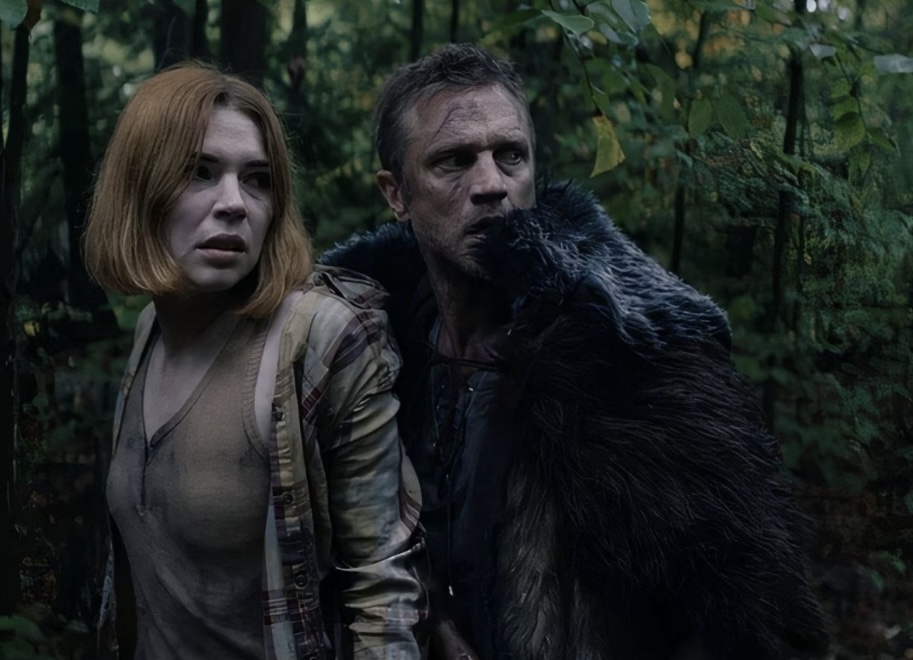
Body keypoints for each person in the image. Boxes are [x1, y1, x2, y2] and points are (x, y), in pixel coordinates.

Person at [322, 44, 828, 659]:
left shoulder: (634, 355)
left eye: (510, 156)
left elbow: (758, 620)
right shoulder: (360, 349)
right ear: (396, 193)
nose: (491, 185)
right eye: (453, 161)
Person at [84, 63, 427, 659]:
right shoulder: (150, 330)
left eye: (258, 180)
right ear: (139, 187)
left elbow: (386, 590)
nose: (234, 204)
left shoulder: (318, 338)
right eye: (199, 172)